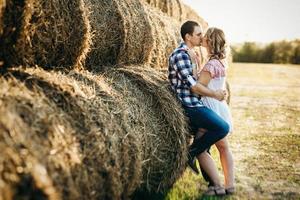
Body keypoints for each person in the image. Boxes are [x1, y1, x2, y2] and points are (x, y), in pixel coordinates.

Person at [168, 21, 230, 196]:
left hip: (196, 102)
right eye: (198, 34)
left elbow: (195, 79)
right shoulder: (180, 54)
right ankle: (188, 154)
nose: (202, 37)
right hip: (188, 104)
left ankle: (215, 185)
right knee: (222, 127)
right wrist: (215, 94)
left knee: (205, 146)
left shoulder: (191, 53)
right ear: (188, 37)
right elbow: (194, 87)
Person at [189, 27, 235, 194]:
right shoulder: (221, 62)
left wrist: (194, 66)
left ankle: (216, 186)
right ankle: (230, 185)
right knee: (223, 147)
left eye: (205, 37)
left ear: (210, 42)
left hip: (210, 109)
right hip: (220, 108)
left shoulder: (211, 65)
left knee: (200, 149)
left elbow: (198, 87)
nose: (202, 39)